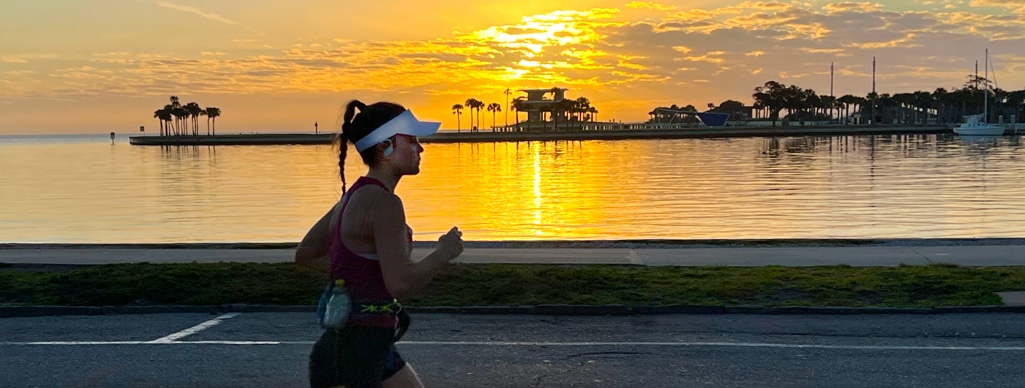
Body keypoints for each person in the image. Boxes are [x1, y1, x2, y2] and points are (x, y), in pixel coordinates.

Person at [296, 100, 464, 387]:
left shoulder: (352, 196)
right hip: (357, 354)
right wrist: (442, 254)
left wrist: (360, 274)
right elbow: (401, 283)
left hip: (360, 344)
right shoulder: (385, 203)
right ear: (385, 148)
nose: (420, 148)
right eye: (411, 140)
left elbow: (306, 254)